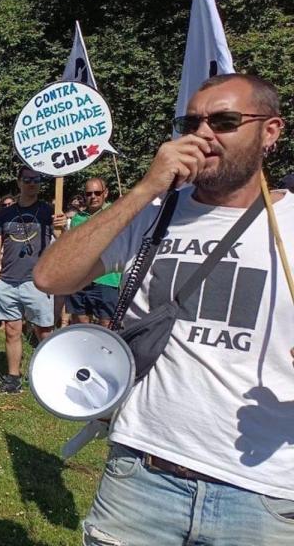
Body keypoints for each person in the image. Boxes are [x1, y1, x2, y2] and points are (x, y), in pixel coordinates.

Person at [35, 74, 293, 544]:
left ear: (270, 131)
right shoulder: (155, 214)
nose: (203, 133)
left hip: (261, 495)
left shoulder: (289, 226)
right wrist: (144, 189)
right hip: (143, 474)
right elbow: (51, 277)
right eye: (190, 122)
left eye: (225, 121)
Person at [0, 166, 55, 393]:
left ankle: (50, 373)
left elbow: (64, 244)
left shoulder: (48, 211)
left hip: (36, 281)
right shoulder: (6, 213)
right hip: (8, 281)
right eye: (27, 179)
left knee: (44, 330)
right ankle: (13, 377)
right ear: (19, 183)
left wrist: (61, 227)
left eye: (36, 179)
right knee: (12, 331)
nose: (32, 183)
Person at [55, 178, 120, 327]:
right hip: (81, 279)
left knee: (107, 324)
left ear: (106, 193)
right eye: (89, 193)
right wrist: (60, 231)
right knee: (81, 323)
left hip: (107, 278)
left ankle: (106, 350)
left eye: (97, 193)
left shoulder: (116, 212)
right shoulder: (78, 218)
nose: (93, 196)